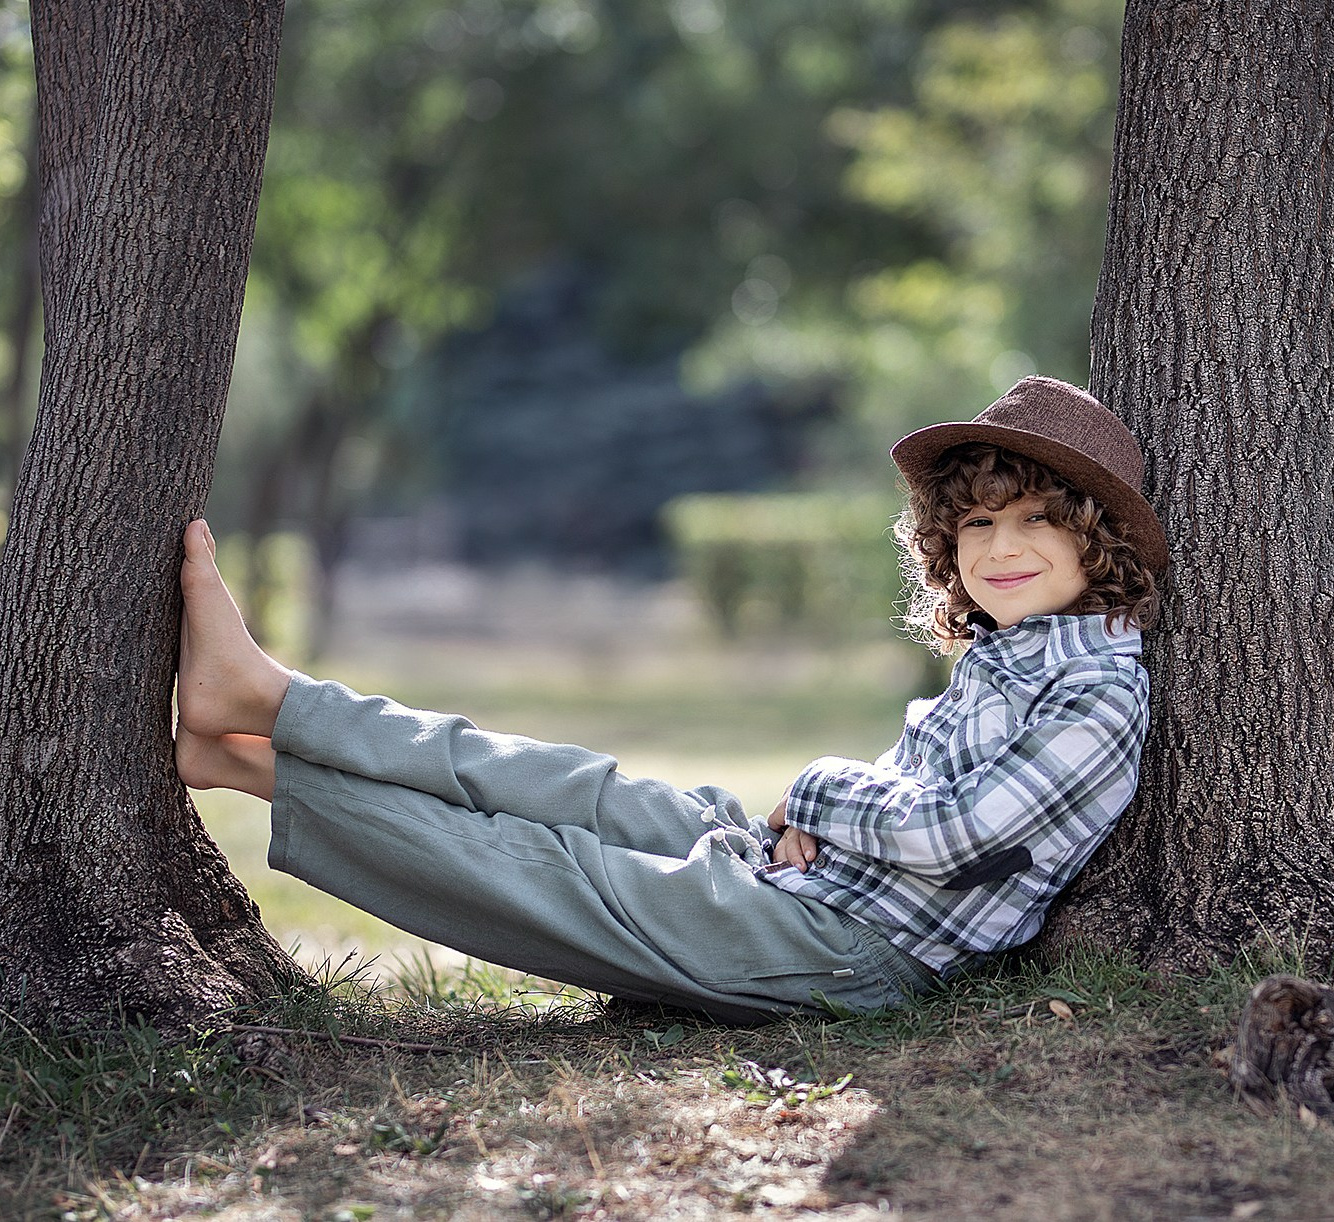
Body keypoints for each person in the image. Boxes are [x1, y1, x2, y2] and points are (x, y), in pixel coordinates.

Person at [176, 376, 1168, 1024]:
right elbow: (919, 804)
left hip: (845, 948)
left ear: (1096, 538)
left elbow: (953, 832)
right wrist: (811, 820)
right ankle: (269, 697)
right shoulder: (1013, 651)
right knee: (569, 783)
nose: (1000, 547)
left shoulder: (1094, 691)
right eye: (980, 521)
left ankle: (243, 764)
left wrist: (813, 796)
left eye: (1038, 519)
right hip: (811, 877)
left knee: (550, 868)